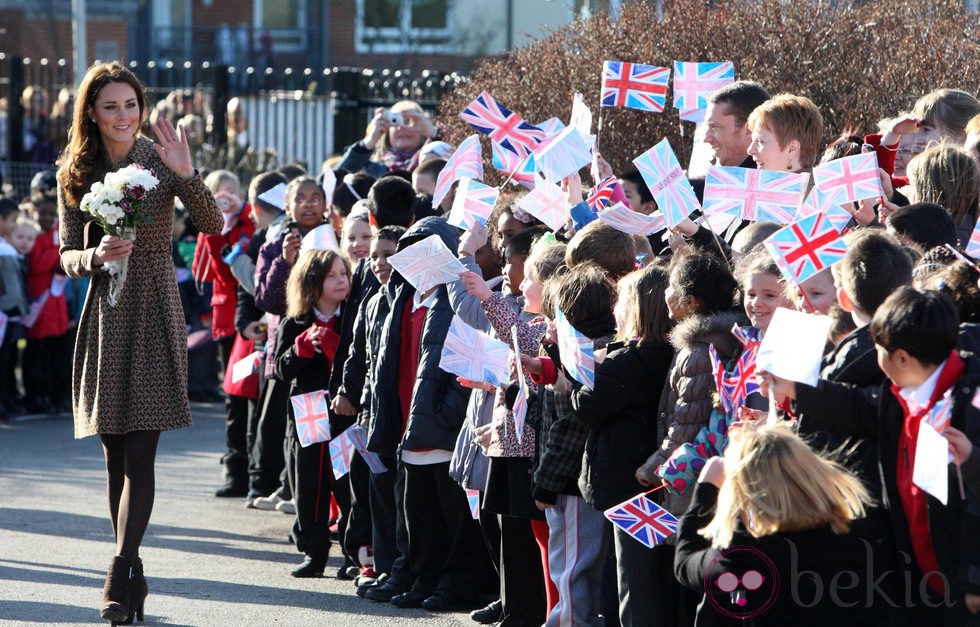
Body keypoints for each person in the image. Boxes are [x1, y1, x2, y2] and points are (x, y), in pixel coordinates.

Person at [55, 61, 221, 624]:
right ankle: (135, 576)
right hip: (106, 310)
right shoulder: (74, 170)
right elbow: (65, 254)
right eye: (111, 107)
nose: (123, 116)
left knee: (141, 454)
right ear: (92, 113)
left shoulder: (159, 156)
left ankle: (119, 571)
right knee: (114, 455)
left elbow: (214, 223)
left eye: (131, 105)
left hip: (154, 306)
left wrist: (188, 173)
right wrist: (93, 256)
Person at [765, 287, 980, 623]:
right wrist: (795, 388)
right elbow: (860, 406)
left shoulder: (970, 403)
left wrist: (973, 580)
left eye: (879, 350)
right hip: (916, 576)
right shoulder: (906, 392)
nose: (875, 357)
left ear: (903, 359)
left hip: (960, 582)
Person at [673, 422, 904, 624]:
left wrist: (706, 491)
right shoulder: (872, 531)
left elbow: (686, 564)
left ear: (746, 490)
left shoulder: (747, 555)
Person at [573, 265, 679, 626]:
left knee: (634, 581)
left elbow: (589, 407)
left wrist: (585, 376)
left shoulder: (626, 361)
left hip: (628, 487)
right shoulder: (671, 354)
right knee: (658, 578)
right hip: (661, 480)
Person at [275, 248, 352, 576]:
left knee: (347, 481)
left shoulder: (354, 315)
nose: (340, 280)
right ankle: (314, 550)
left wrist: (338, 351)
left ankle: (354, 552)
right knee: (310, 481)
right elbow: (280, 369)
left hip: (344, 409)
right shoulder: (295, 322)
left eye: (343, 273)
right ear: (312, 283)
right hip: (307, 409)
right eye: (331, 275)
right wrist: (300, 349)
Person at [339, 101, 439, 177]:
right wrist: (368, 143)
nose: (401, 127)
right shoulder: (369, 168)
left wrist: (434, 134)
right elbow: (336, 183)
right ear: (387, 131)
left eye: (408, 121)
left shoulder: (436, 160)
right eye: (395, 121)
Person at [906, 143, 980, 245]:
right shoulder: (973, 232)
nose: (908, 191)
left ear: (927, 191)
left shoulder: (930, 241)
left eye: (912, 185)